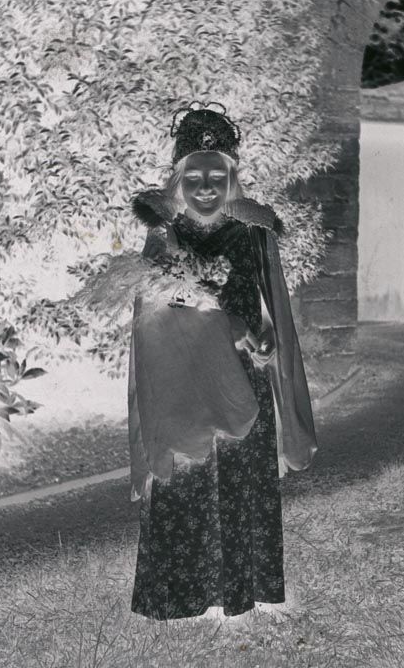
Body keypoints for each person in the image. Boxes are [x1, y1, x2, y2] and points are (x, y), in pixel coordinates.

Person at [128, 102, 317, 621]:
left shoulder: (253, 232)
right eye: (194, 177)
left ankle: (241, 591)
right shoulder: (165, 234)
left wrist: (265, 336)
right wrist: (213, 319)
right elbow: (153, 311)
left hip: (242, 377)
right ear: (178, 180)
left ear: (232, 178)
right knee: (189, 475)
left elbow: (272, 305)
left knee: (239, 474)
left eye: (217, 176)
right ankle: (184, 592)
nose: (205, 187)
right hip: (184, 379)